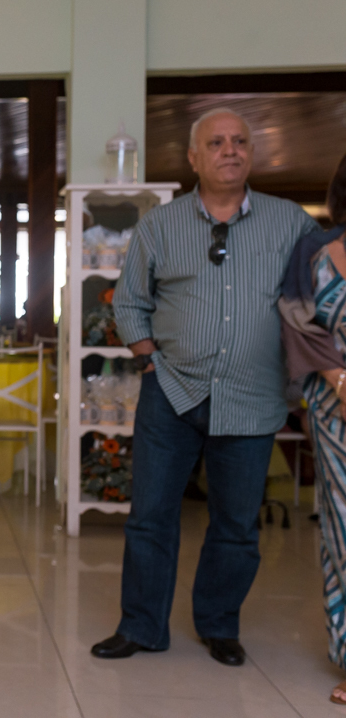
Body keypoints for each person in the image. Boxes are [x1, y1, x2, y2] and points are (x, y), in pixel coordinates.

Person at [93, 108, 320, 667]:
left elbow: (322, 286)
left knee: (238, 526)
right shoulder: (160, 225)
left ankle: (219, 625)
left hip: (253, 394)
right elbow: (128, 301)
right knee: (151, 517)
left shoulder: (290, 222)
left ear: (252, 153)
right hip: (171, 391)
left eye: (240, 141)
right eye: (216, 143)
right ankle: (142, 626)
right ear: (194, 158)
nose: (230, 150)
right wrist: (148, 358)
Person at [280, 152, 346, 703]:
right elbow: (297, 320)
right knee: (344, 533)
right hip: (335, 409)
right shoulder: (315, 251)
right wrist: (340, 381)